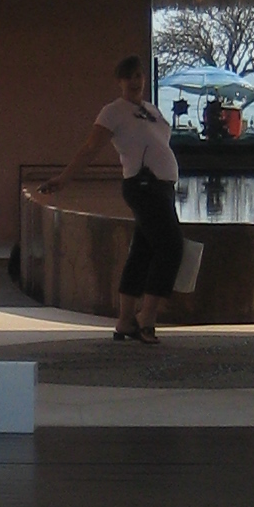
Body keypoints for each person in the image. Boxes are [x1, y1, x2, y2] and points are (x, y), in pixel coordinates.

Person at [51, 53, 184, 343]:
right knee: (171, 247)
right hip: (144, 186)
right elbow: (90, 148)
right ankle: (146, 317)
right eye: (129, 77)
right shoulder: (113, 112)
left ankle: (125, 320)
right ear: (120, 81)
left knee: (143, 251)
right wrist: (64, 179)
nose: (135, 81)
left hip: (162, 188)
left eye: (139, 75)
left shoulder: (151, 110)